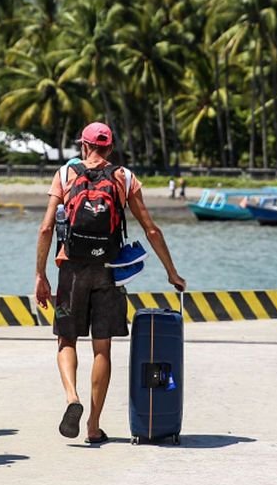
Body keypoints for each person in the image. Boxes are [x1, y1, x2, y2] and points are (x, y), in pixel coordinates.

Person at [35, 122, 186, 445]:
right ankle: (92, 425)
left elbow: (46, 229)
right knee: (102, 347)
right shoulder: (124, 177)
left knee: (66, 340)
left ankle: (71, 397)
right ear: (110, 148)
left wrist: (40, 275)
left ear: (84, 146)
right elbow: (151, 229)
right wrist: (171, 272)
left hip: (71, 268)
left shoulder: (65, 175)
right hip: (109, 270)